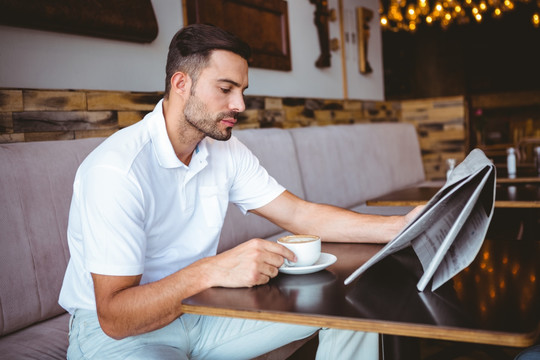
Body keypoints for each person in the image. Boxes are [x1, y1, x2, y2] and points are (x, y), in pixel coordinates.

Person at [59, 23, 421, 359]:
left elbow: (299, 214)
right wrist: (210, 270)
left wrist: (400, 226)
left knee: (353, 307)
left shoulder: (224, 149)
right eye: (225, 89)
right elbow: (116, 317)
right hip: (118, 335)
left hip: (202, 312)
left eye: (242, 91)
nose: (240, 105)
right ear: (181, 84)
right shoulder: (117, 171)